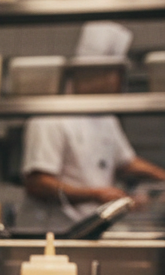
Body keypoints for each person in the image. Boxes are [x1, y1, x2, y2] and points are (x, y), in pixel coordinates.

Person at [20, 22, 165, 232]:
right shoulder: (51, 114)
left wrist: (161, 176)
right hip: (53, 232)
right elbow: (37, 183)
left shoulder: (104, 114)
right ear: (94, 74)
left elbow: (126, 161)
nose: (119, 83)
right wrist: (96, 194)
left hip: (91, 227)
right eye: (116, 74)